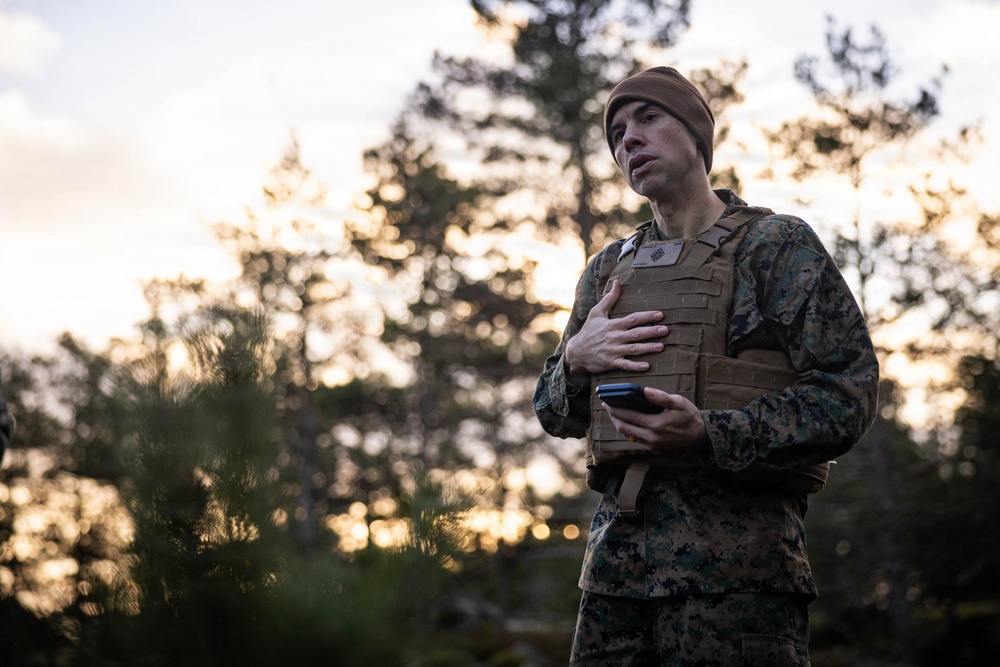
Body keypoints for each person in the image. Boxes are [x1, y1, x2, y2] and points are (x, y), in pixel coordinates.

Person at [533, 66, 879, 665]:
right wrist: (576, 360)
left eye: (648, 118)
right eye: (616, 133)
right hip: (615, 580)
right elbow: (553, 412)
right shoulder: (607, 270)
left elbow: (848, 395)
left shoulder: (775, 247)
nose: (629, 141)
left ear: (696, 135)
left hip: (739, 581)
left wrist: (710, 433)